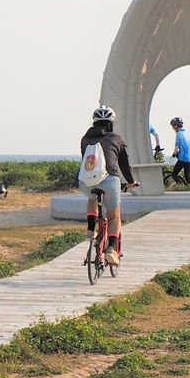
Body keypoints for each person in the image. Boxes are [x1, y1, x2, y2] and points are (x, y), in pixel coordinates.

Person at [80, 105, 138, 265]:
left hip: (87, 181)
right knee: (114, 216)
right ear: (111, 122)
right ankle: (112, 250)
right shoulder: (117, 138)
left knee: (92, 198)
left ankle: (91, 228)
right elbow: (124, 165)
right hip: (110, 180)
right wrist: (131, 181)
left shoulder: (85, 139)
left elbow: (86, 161)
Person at [170, 117, 190, 185]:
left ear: (176, 126)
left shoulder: (178, 134)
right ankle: (189, 189)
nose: (173, 128)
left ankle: (180, 185)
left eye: (172, 127)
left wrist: (174, 154)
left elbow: (176, 147)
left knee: (174, 174)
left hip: (183, 158)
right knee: (187, 177)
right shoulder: (187, 133)